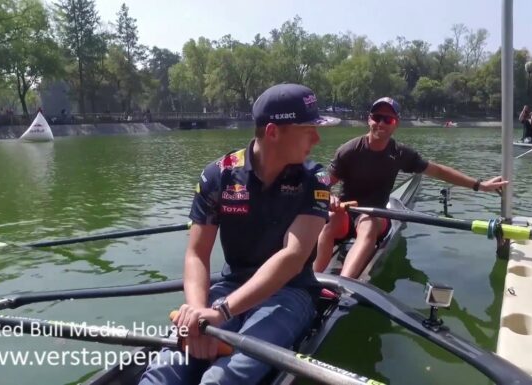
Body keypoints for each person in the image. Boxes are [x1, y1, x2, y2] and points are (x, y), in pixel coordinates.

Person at [139, 83, 339, 385]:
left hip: (290, 292)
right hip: (229, 288)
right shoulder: (218, 176)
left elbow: (293, 257)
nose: (317, 137)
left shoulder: (315, 179)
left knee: (223, 380)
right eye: (308, 128)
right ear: (273, 132)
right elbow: (196, 254)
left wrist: (220, 312)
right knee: (163, 372)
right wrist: (197, 312)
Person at [313, 97, 508, 278]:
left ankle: (343, 284)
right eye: (377, 117)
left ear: (395, 124)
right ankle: (314, 278)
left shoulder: (400, 154)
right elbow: (322, 180)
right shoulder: (349, 150)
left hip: (376, 217)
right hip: (346, 212)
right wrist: (327, 196)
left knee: (368, 223)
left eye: (387, 120)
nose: (380, 123)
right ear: (369, 119)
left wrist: (479, 185)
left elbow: (439, 171)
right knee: (330, 220)